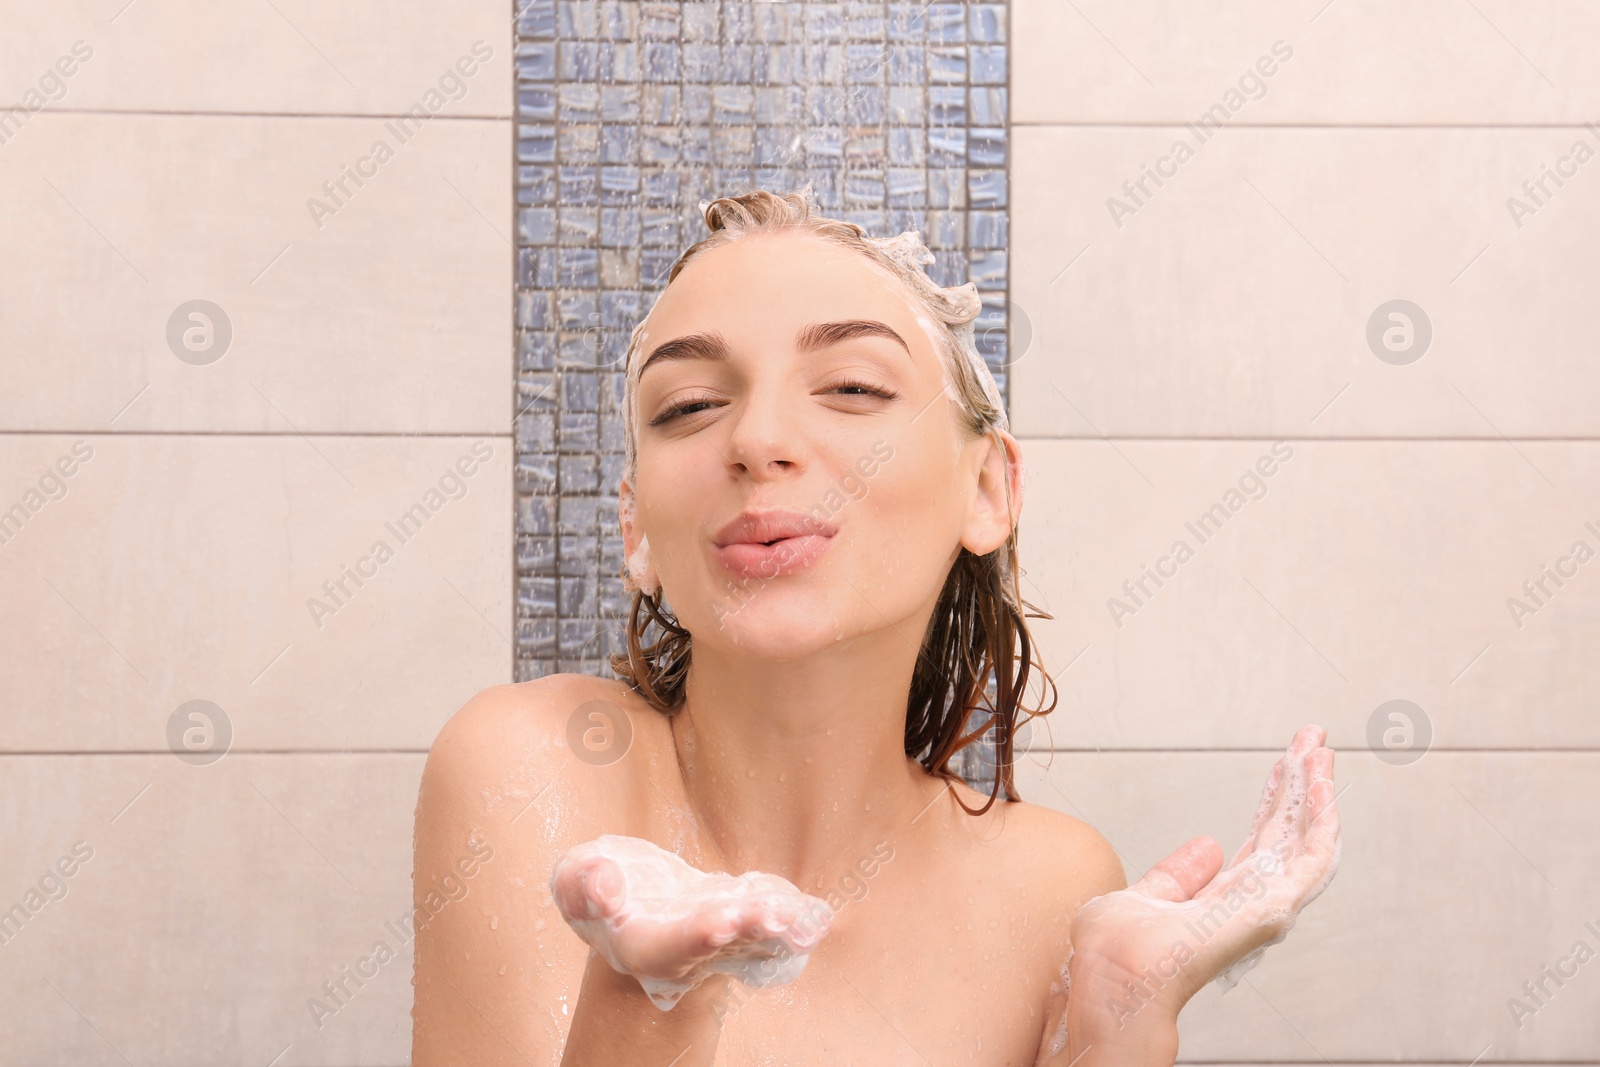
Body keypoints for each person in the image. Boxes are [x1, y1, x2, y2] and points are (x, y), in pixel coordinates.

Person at [411, 188, 1341, 1065]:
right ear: (636, 529)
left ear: (987, 488)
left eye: (852, 387)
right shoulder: (534, 772)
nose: (756, 438)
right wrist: (645, 999)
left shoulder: (1051, 887)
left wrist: (1116, 1033)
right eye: (689, 405)